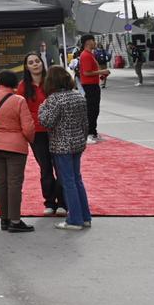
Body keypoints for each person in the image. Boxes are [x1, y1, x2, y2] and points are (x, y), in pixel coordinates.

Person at [0, 70, 36, 233]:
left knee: (0, 182)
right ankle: (15, 220)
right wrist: (28, 139)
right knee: (14, 184)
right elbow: (28, 127)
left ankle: (3, 219)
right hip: (15, 147)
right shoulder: (19, 101)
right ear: (16, 84)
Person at [39, 65, 92, 230]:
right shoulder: (78, 96)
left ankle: (74, 219)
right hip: (77, 144)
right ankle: (85, 217)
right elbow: (85, 123)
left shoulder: (54, 99)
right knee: (77, 180)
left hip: (61, 146)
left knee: (68, 182)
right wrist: (82, 140)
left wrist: (42, 108)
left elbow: (47, 122)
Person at [16, 53, 65, 216]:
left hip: (55, 130)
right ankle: (50, 202)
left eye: (37, 61)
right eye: (31, 62)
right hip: (36, 133)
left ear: (42, 63)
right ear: (26, 67)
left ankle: (62, 203)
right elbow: (20, 111)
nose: (35, 64)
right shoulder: (23, 86)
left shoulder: (51, 82)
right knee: (45, 168)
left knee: (60, 167)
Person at [77, 34, 110, 143]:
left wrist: (100, 75)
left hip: (93, 84)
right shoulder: (85, 55)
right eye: (93, 40)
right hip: (90, 86)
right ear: (88, 42)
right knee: (92, 109)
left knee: (94, 109)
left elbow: (91, 71)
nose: (95, 43)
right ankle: (89, 133)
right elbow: (86, 72)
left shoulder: (89, 54)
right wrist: (102, 72)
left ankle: (93, 132)